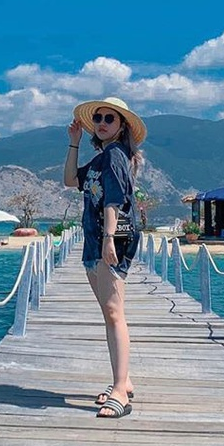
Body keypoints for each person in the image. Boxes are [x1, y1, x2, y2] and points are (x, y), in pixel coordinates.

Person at [63, 95, 146, 419]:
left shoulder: (115, 155)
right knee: (109, 311)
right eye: (97, 117)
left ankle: (120, 393)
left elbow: (114, 201)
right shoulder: (102, 158)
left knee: (113, 312)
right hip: (96, 236)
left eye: (109, 118)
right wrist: (74, 143)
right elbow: (71, 180)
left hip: (113, 234)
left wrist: (110, 240)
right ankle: (123, 382)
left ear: (121, 125)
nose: (101, 122)